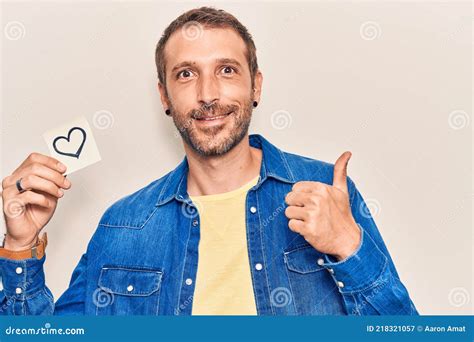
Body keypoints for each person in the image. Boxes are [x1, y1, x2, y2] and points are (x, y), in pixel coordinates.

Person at [0, 6, 417, 315]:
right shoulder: (122, 226)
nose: (207, 94)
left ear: (256, 85)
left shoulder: (327, 191)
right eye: (185, 74)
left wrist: (348, 246)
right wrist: (20, 246)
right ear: (164, 96)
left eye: (227, 71)